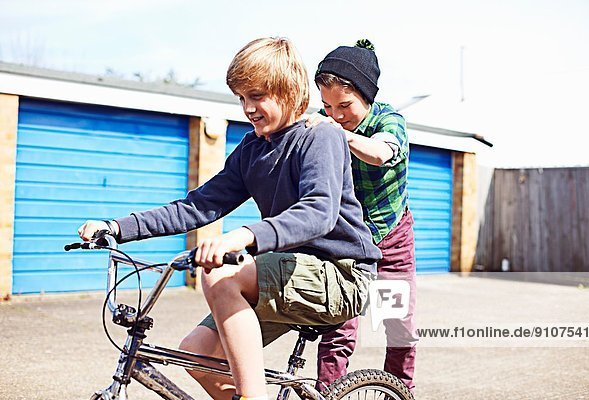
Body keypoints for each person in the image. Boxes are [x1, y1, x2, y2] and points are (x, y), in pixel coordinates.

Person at [78, 37, 381, 400]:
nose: (247, 108)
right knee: (196, 354)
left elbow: (319, 211)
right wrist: (116, 228)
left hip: (342, 275)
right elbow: (198, 206)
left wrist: (242, 238)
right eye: (241, 98)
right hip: (288, 272)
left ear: (288, 89)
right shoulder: (252, 149)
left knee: (220, 273)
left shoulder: (320, 135)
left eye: (256, 96)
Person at [306, 39, 418, 392]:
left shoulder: (389, 120)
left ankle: (400, 392)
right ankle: (327, 393)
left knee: (398, 325)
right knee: (339, 327)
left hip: (391, 240)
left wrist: (338, 134)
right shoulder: (326, 123)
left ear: (366, 97)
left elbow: (381, 153)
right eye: (327, 106)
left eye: (345, 105)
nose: (336, 114)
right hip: (349, 242)